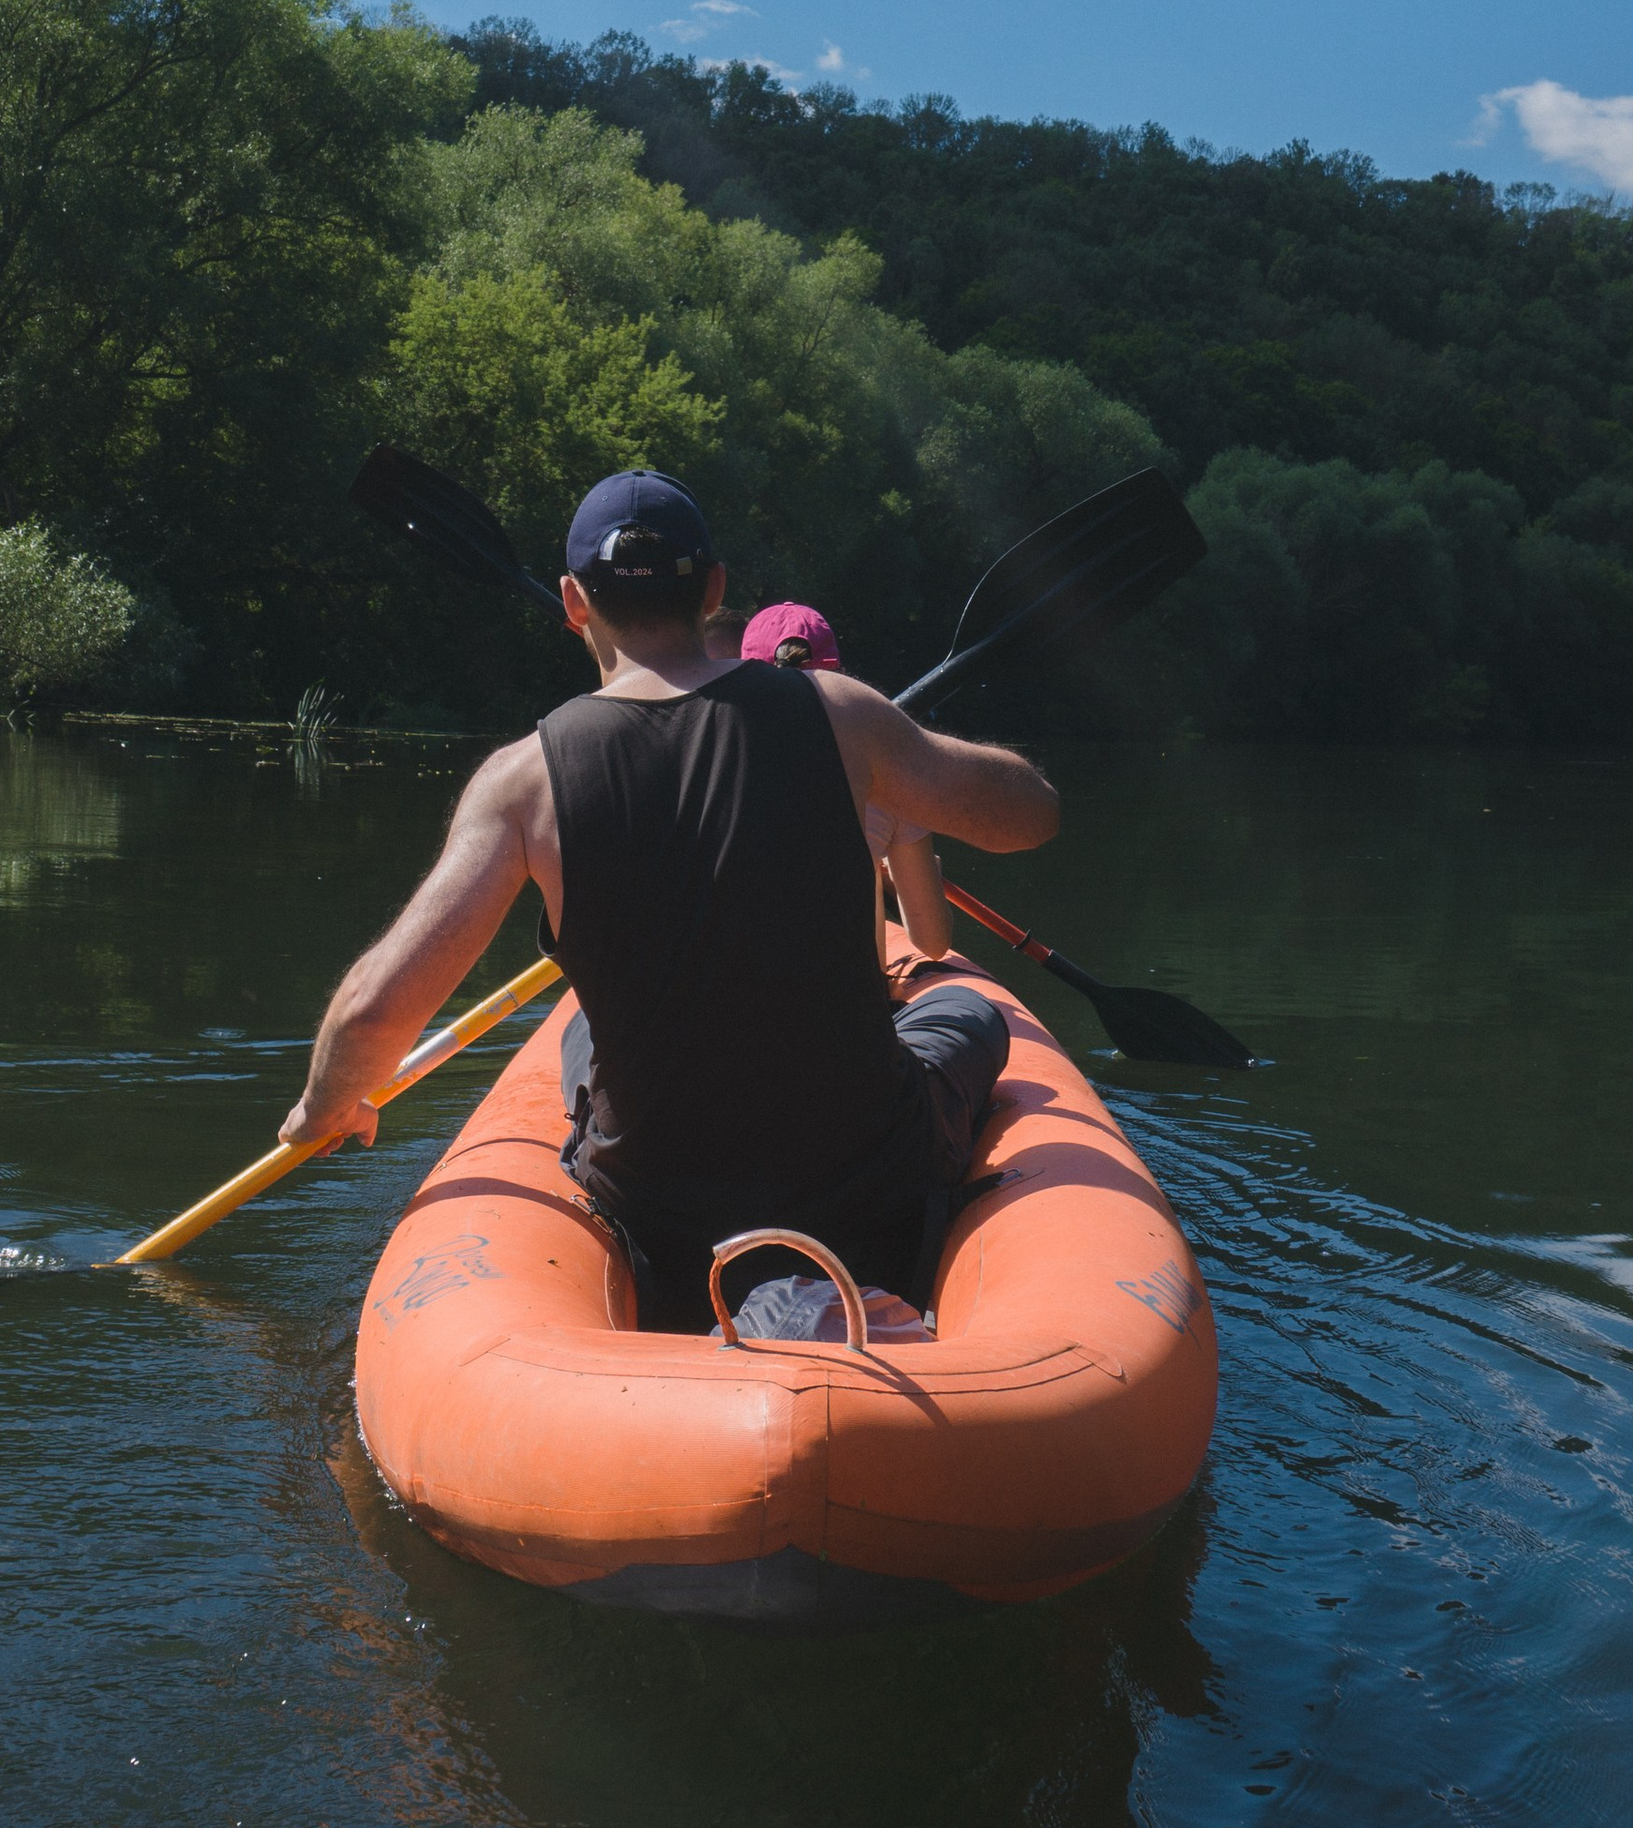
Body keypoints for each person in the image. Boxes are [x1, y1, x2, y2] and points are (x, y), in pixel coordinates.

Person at [278, 468, 1058, 1331]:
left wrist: (326, 1104)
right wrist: (899, 751)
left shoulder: (521, 782)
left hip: (661, 1212)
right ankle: (817, 1293)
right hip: (868, 1181)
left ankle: (740, 1298)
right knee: (967, 1017)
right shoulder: (844, 716)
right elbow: (1031, 817)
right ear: (715, 588)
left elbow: (372, 1013)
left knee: (580, 1031)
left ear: (576, 602)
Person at [738, 598, 955, 964]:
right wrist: (923, 868)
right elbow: (933, 942)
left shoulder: (710, 770)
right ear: (839, 676)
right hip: (852, 1013)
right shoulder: (889, 779)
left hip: (733, 1007)